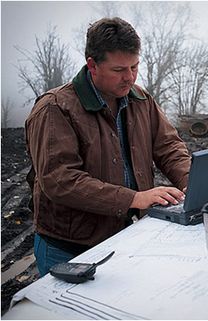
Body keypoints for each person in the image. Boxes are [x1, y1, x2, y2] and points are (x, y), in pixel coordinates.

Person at [25, 17, 191, 276]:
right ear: (92, 64)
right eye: (119, 70)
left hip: (127, 235)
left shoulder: (140, 99)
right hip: (69, 248)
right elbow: (59, 179)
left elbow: (169, 146)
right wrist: (134, 198)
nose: (130, 77)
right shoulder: (55, 108)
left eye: (135, 67)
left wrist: (191, 179)